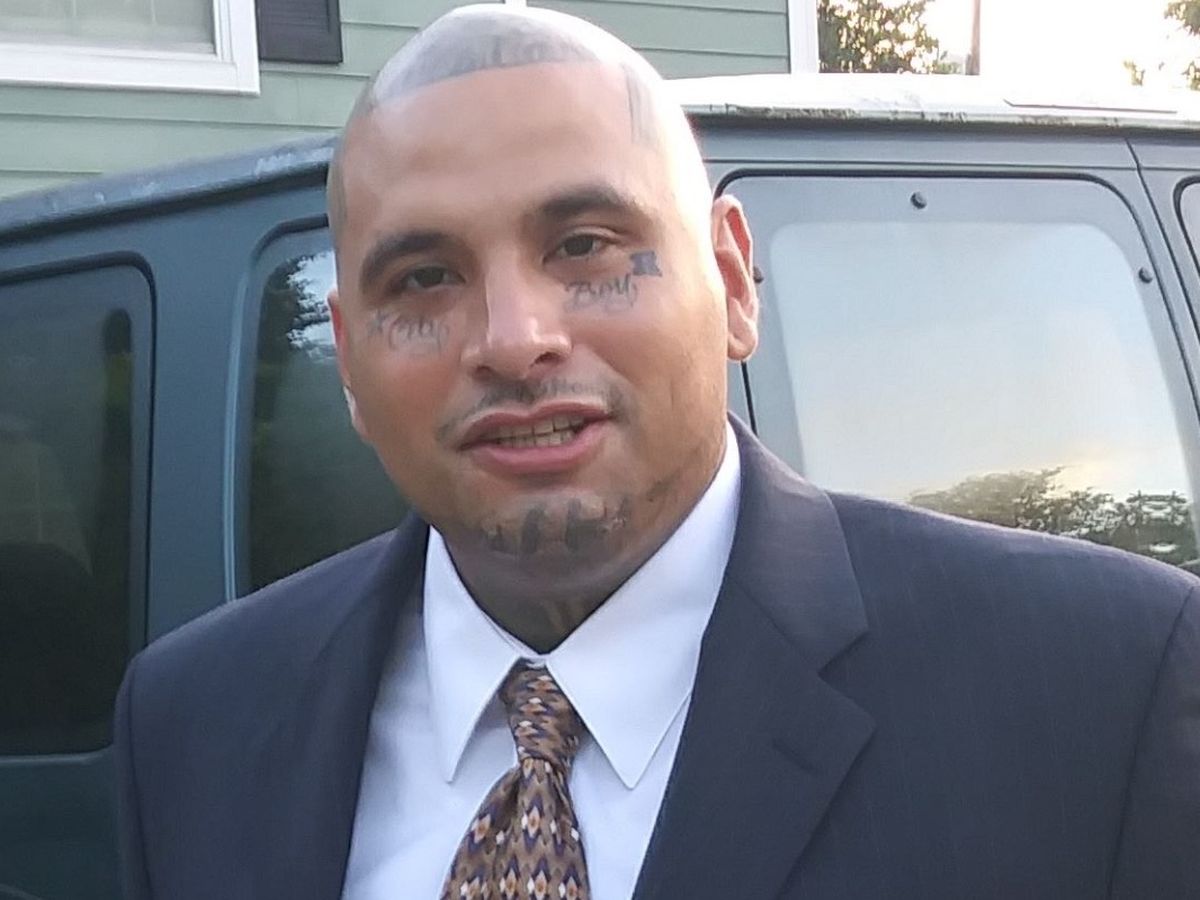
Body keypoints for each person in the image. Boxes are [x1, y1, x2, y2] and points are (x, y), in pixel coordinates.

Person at [113, 6, 1200, 899]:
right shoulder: (195, 726)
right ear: (350, 359)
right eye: (425, 278)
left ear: (731, 282)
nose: (513, 339)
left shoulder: (1101, 692)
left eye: (585, 246)